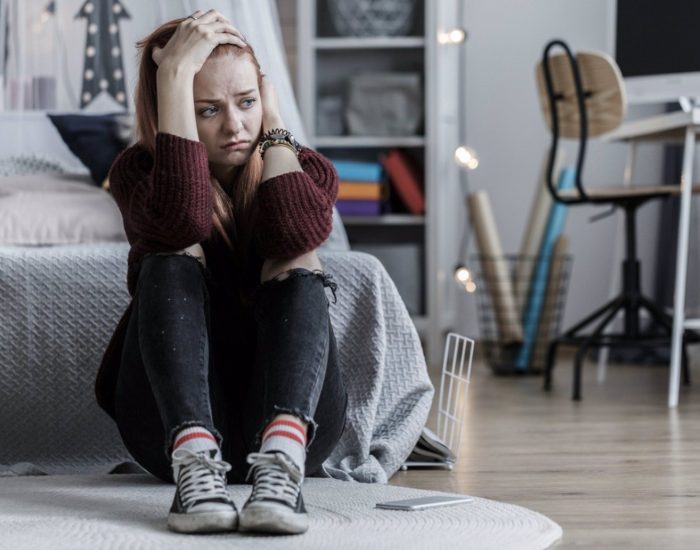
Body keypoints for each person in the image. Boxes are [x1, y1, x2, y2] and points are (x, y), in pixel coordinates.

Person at [94, 8, 347, 536]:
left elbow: (293, 235)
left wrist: (275, 128)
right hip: (166, 428)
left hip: (292, 426)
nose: (235, 126)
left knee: (298, 256)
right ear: (174, 110)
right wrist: (172, 77)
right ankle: (195, 462)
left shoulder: (308, 169)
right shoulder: (138, 174)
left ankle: (281, 460)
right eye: (207, 109)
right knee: (170, 254)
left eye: (247, 102)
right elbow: (181, 219)